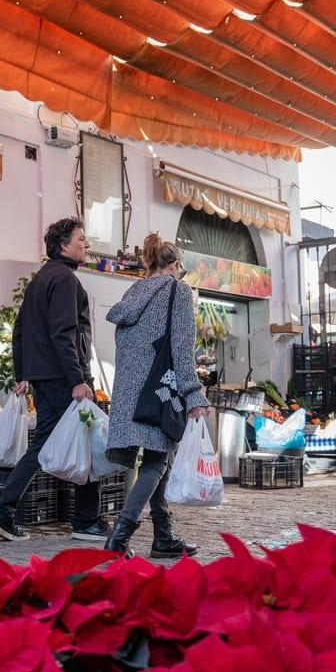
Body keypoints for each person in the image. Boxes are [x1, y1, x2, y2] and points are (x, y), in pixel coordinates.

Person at [0, 217, 105, 542]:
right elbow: (64, 333)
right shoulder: (65, 280)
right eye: (82, 239)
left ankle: (3, 512)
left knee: (42, 443)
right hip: (63, 377)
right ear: (64, 245)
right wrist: (79, 379)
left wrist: (22, 374)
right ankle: (85, 520)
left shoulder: (39, 279)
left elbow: (20, 330)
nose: (87, 244)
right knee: (89, 438)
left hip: (42, 377)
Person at [102, 233, 211, 558]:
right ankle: (119, 538)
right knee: (156, 462)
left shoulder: (131, 293)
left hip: (129, 392)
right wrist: (193, 394)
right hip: (157, 389)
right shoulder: (178, 291)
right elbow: (180, 348)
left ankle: (163, 535)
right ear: (175, 265)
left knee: (155, 458)